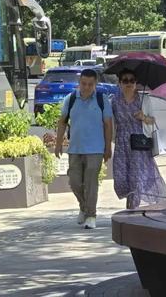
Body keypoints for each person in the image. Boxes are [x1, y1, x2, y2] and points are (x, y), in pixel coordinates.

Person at [55, 69, 113, 229]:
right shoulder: (71, 98)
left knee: (91, 182)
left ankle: (91, 216)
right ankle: (84, 207)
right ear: (79, 83)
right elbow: (62, 122)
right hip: (75, 148)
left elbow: (108, 124)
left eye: (90, 84)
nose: (86, 87)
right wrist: (58, 143)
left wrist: (108, 147)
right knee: (74, 182)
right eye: (83, 84)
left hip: (95, 149)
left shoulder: (102, 100)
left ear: (95, 84)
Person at [112, 69, 166, 209]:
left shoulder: (144, 99)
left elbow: (152, 120)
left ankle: (132, 208)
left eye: (132, 80)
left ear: (136, 82)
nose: (129, 83)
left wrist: (143, 117)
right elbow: (109, 123)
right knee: (121, 178)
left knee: (137, 178)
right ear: (119, 83)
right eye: (125, 80)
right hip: (121, 143)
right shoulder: (114, 101)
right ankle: (131, 203)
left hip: (139, 143)